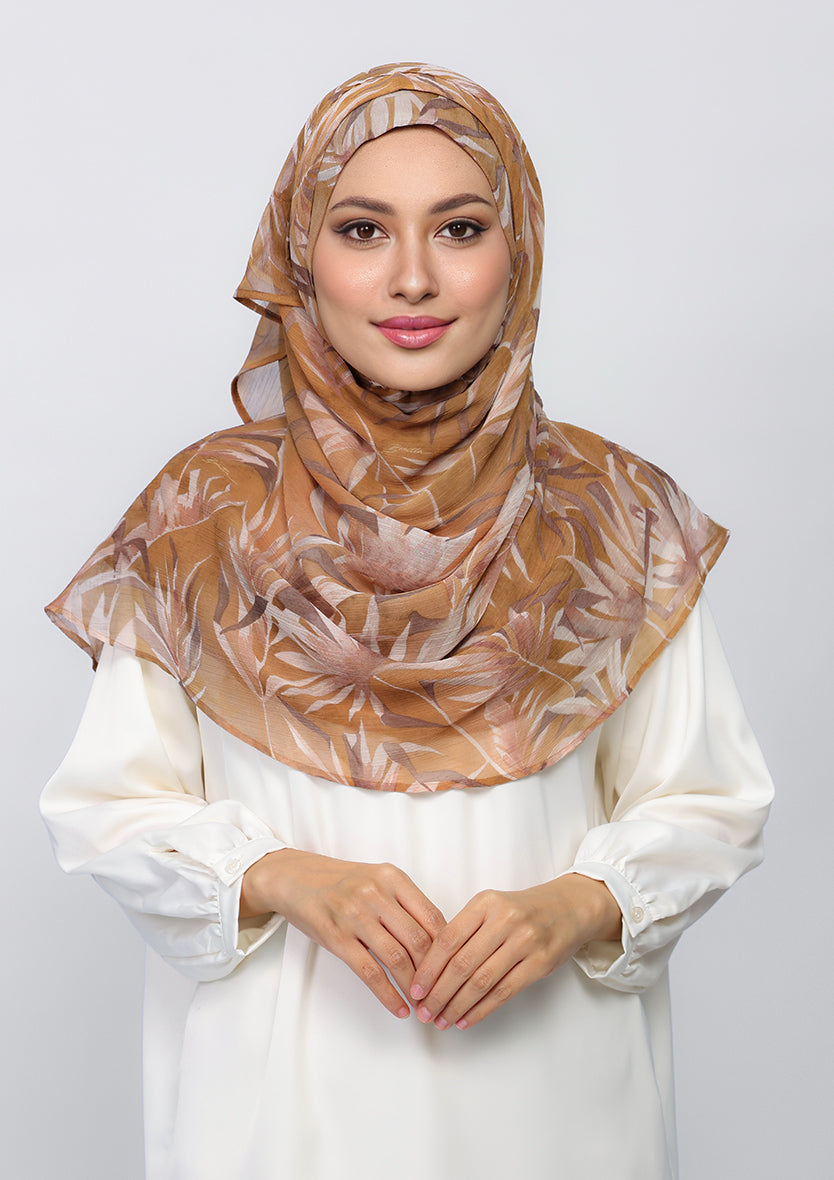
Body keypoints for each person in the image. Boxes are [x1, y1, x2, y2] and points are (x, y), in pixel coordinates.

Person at [41, 63, 773, 1180]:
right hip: (282, 1121)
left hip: (557, 1118)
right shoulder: (204, 515)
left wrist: (577, 904)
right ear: (301, 256)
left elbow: (710, 801)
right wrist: (286, 876)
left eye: (461, 228)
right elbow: (108, 808)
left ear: (518, 252)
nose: (415, 277)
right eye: (364, 230)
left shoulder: (616, 516)